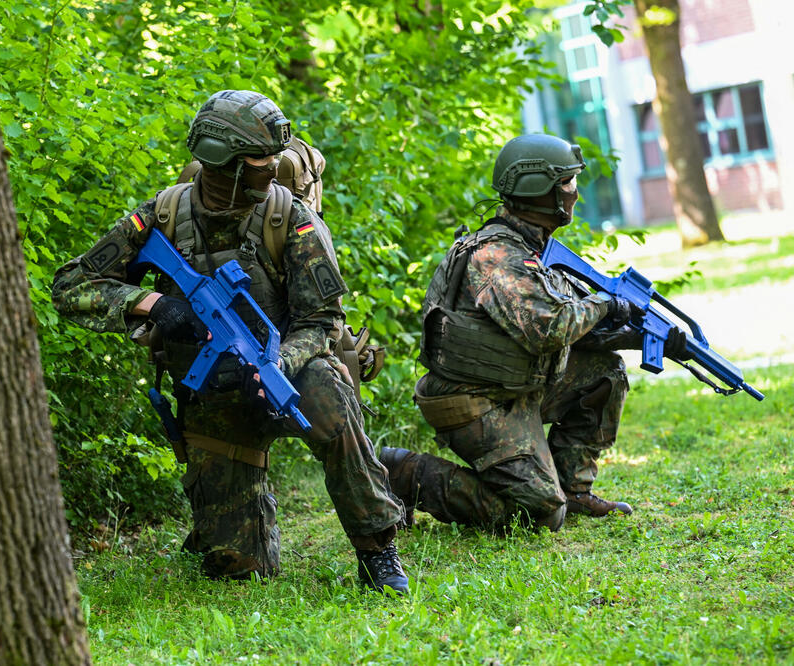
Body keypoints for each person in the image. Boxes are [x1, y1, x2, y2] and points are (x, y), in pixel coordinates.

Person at [51, 90, 408, 593]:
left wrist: (279, 364)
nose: (273, 173)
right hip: (213, 395)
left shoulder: (292, 220)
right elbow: (71, 286)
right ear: (224, 166)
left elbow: (320, 319)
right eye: (261, 166)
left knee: (329, 394)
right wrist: (156, 306)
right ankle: (226, 531)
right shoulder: (163, 216)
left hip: (290, 372)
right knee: (236, 568)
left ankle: (378, 548)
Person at [380, 134, 690, 532]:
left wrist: (650, 338)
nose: (574, 194)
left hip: (516, 387)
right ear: (537, 189)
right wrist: (605, 304)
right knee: (539, 514)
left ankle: (573, 489)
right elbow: (551, 328)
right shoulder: (496, 256)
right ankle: (403, 473)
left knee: (605, 372)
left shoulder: (535, 251)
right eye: (567, 184)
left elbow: (581, 335)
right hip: (472, 401)